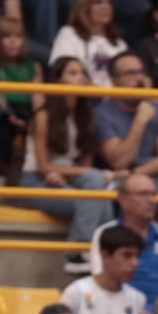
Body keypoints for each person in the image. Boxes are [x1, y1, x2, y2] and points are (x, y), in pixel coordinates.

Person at [22, 56, 113, 276]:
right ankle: (82, 251)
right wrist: (80, 173)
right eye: (72, 73)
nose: (79, 78)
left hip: (69, 179)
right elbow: (43, 166)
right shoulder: (43, 116)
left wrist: (76, 175)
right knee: (96, 193)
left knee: (97, 184)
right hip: (36, 180)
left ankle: (103, 253)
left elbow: (86, 166)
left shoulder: (87, 117)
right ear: (58, 80)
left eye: (82, 73)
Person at [95, 52, 158, 233]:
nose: (139, 79)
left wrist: (134, 174)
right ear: (114, 80)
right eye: (130, 74)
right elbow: (119, 161)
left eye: (141, 73)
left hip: (155, 180)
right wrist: (140, 121)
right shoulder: (103, 113)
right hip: (119, 184)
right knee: (103, 200)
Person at [102, 173, 158, 306]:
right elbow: (101, 282)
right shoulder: (105, 233)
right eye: (143, 194)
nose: (152, 200)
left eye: (154, 194)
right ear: (123, 200)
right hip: (119, 311)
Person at [0, 17, 41, 181]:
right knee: (1, 129)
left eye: (18, 36)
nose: (13, 42)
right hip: (4, 112)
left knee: (43, 123)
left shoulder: (33, 66)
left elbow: (38, 99)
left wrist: (34, 121)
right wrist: (12, 117)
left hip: (29, 113)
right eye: (7, 37)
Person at [47, 0, 127, 86]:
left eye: (109, 2)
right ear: (84, 6)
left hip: (115, 99)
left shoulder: (120, 43)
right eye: (98, 2)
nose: (106, 7)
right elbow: (62, 71)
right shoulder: (69, 34)